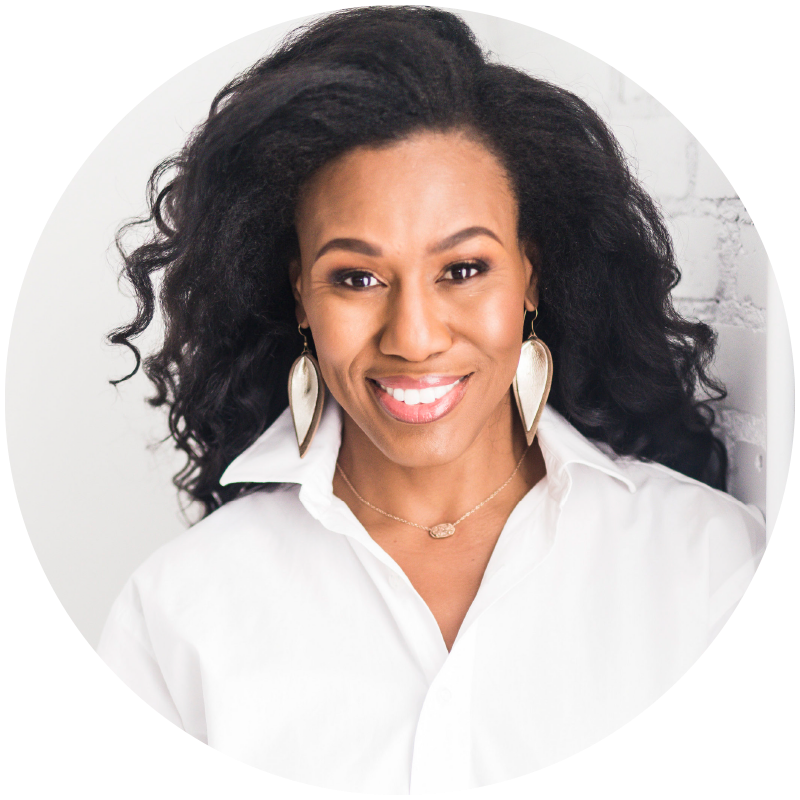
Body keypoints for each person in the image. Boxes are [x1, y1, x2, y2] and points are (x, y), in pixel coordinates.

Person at [97, 6, 766, 794]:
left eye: (463, 269)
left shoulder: (708, 564)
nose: (413, 337)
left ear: (532, 276)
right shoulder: (179, 612)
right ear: (300, 294)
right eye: (356, 277)